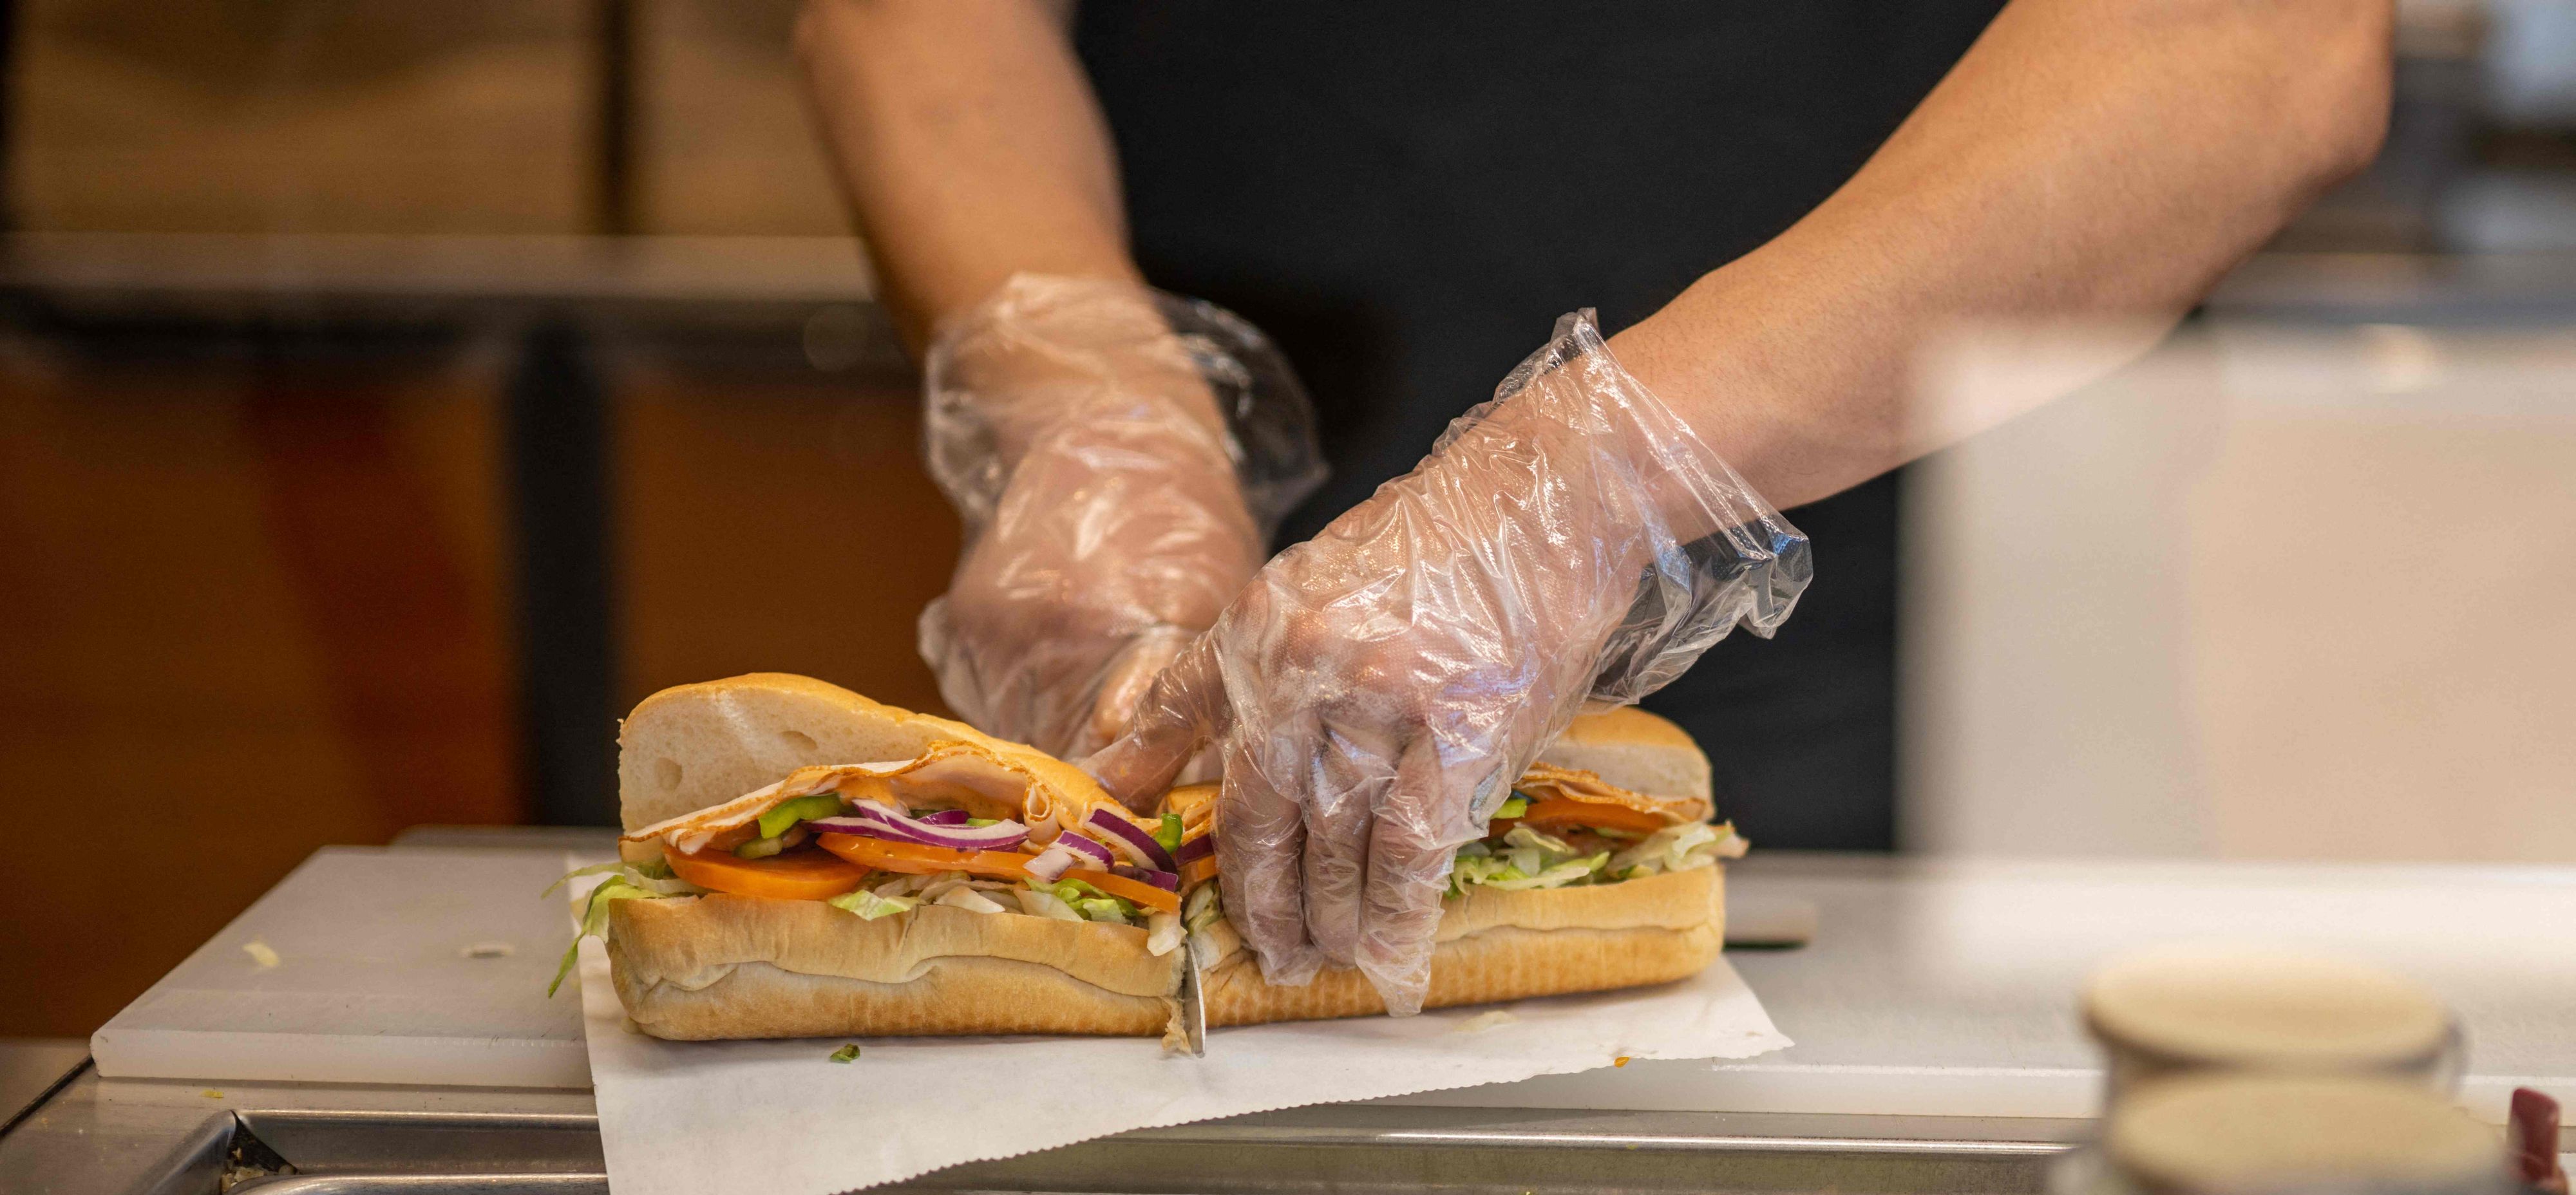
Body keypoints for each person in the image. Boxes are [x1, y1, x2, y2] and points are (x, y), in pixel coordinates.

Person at [797, 0, 2392, 1013]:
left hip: (1941, 614)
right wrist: (1088, 406)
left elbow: (2252, 42)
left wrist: (1590, 478)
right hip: (1215, 588)